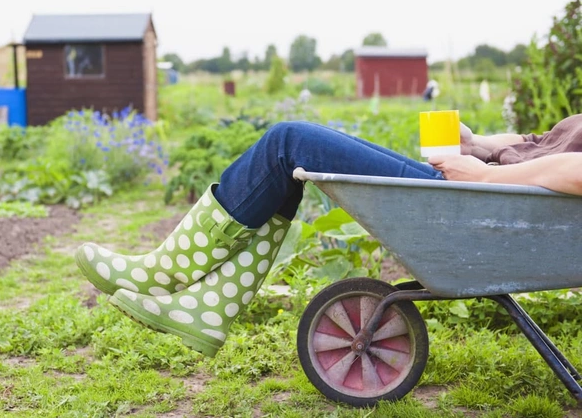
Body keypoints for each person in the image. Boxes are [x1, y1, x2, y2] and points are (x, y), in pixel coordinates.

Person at [75, 115, 582, 357]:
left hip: (488, 202)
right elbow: (543, 144)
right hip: (488, 192)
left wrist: (485, 175)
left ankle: (170, 273)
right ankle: (208, 306)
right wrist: (479, 144)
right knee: (291, 152)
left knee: (288, 142)